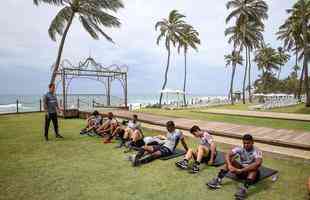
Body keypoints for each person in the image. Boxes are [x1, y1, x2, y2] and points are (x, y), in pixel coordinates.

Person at [207, 134, 262, 200]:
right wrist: (229, 165)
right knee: (230, 160)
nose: (246, 145)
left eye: (248, 143)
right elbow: (227, 154)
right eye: (244, 143)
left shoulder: (256, 150)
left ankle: (244, 190)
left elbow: (258, 163)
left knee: (254, 169)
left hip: (251, 174)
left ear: (252, 142)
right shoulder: (240, 148)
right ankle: (218, 180)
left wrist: (241, 170)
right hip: (241, 171)